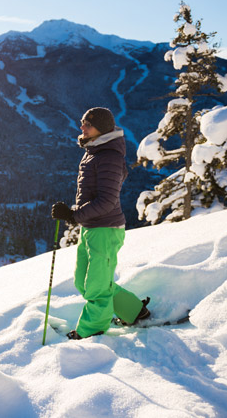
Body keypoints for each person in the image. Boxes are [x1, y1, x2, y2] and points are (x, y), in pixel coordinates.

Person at [51, 107, 150, 340]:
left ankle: (91, 330)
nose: (82, 127)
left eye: (88, 124)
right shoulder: (94, 151)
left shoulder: (109, 157)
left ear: (102, 129)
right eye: (82, 121)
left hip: (105, 229)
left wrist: (73, 216)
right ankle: (134, 311)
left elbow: (106, 201)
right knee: (84, 282)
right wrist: (72, 212)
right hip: (92, 227)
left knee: (96, 287)